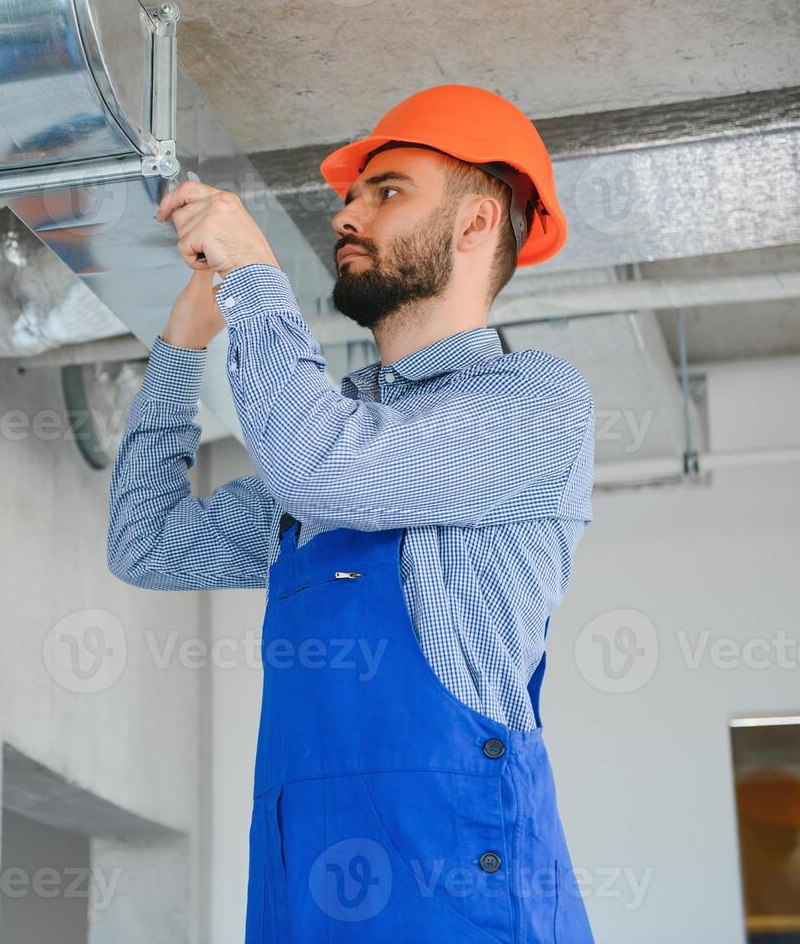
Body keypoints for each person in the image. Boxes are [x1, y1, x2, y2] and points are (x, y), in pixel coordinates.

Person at [108, 83, 595, 942]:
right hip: (303, 899)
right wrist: (183, 343)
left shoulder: (533, 404)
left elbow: (315, 467)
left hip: (455, 902)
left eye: (388, 191)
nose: (346, 214)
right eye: (348, 196)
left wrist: (256, 275)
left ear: (478, 224)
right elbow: (146, 544)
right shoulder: (347, 448)